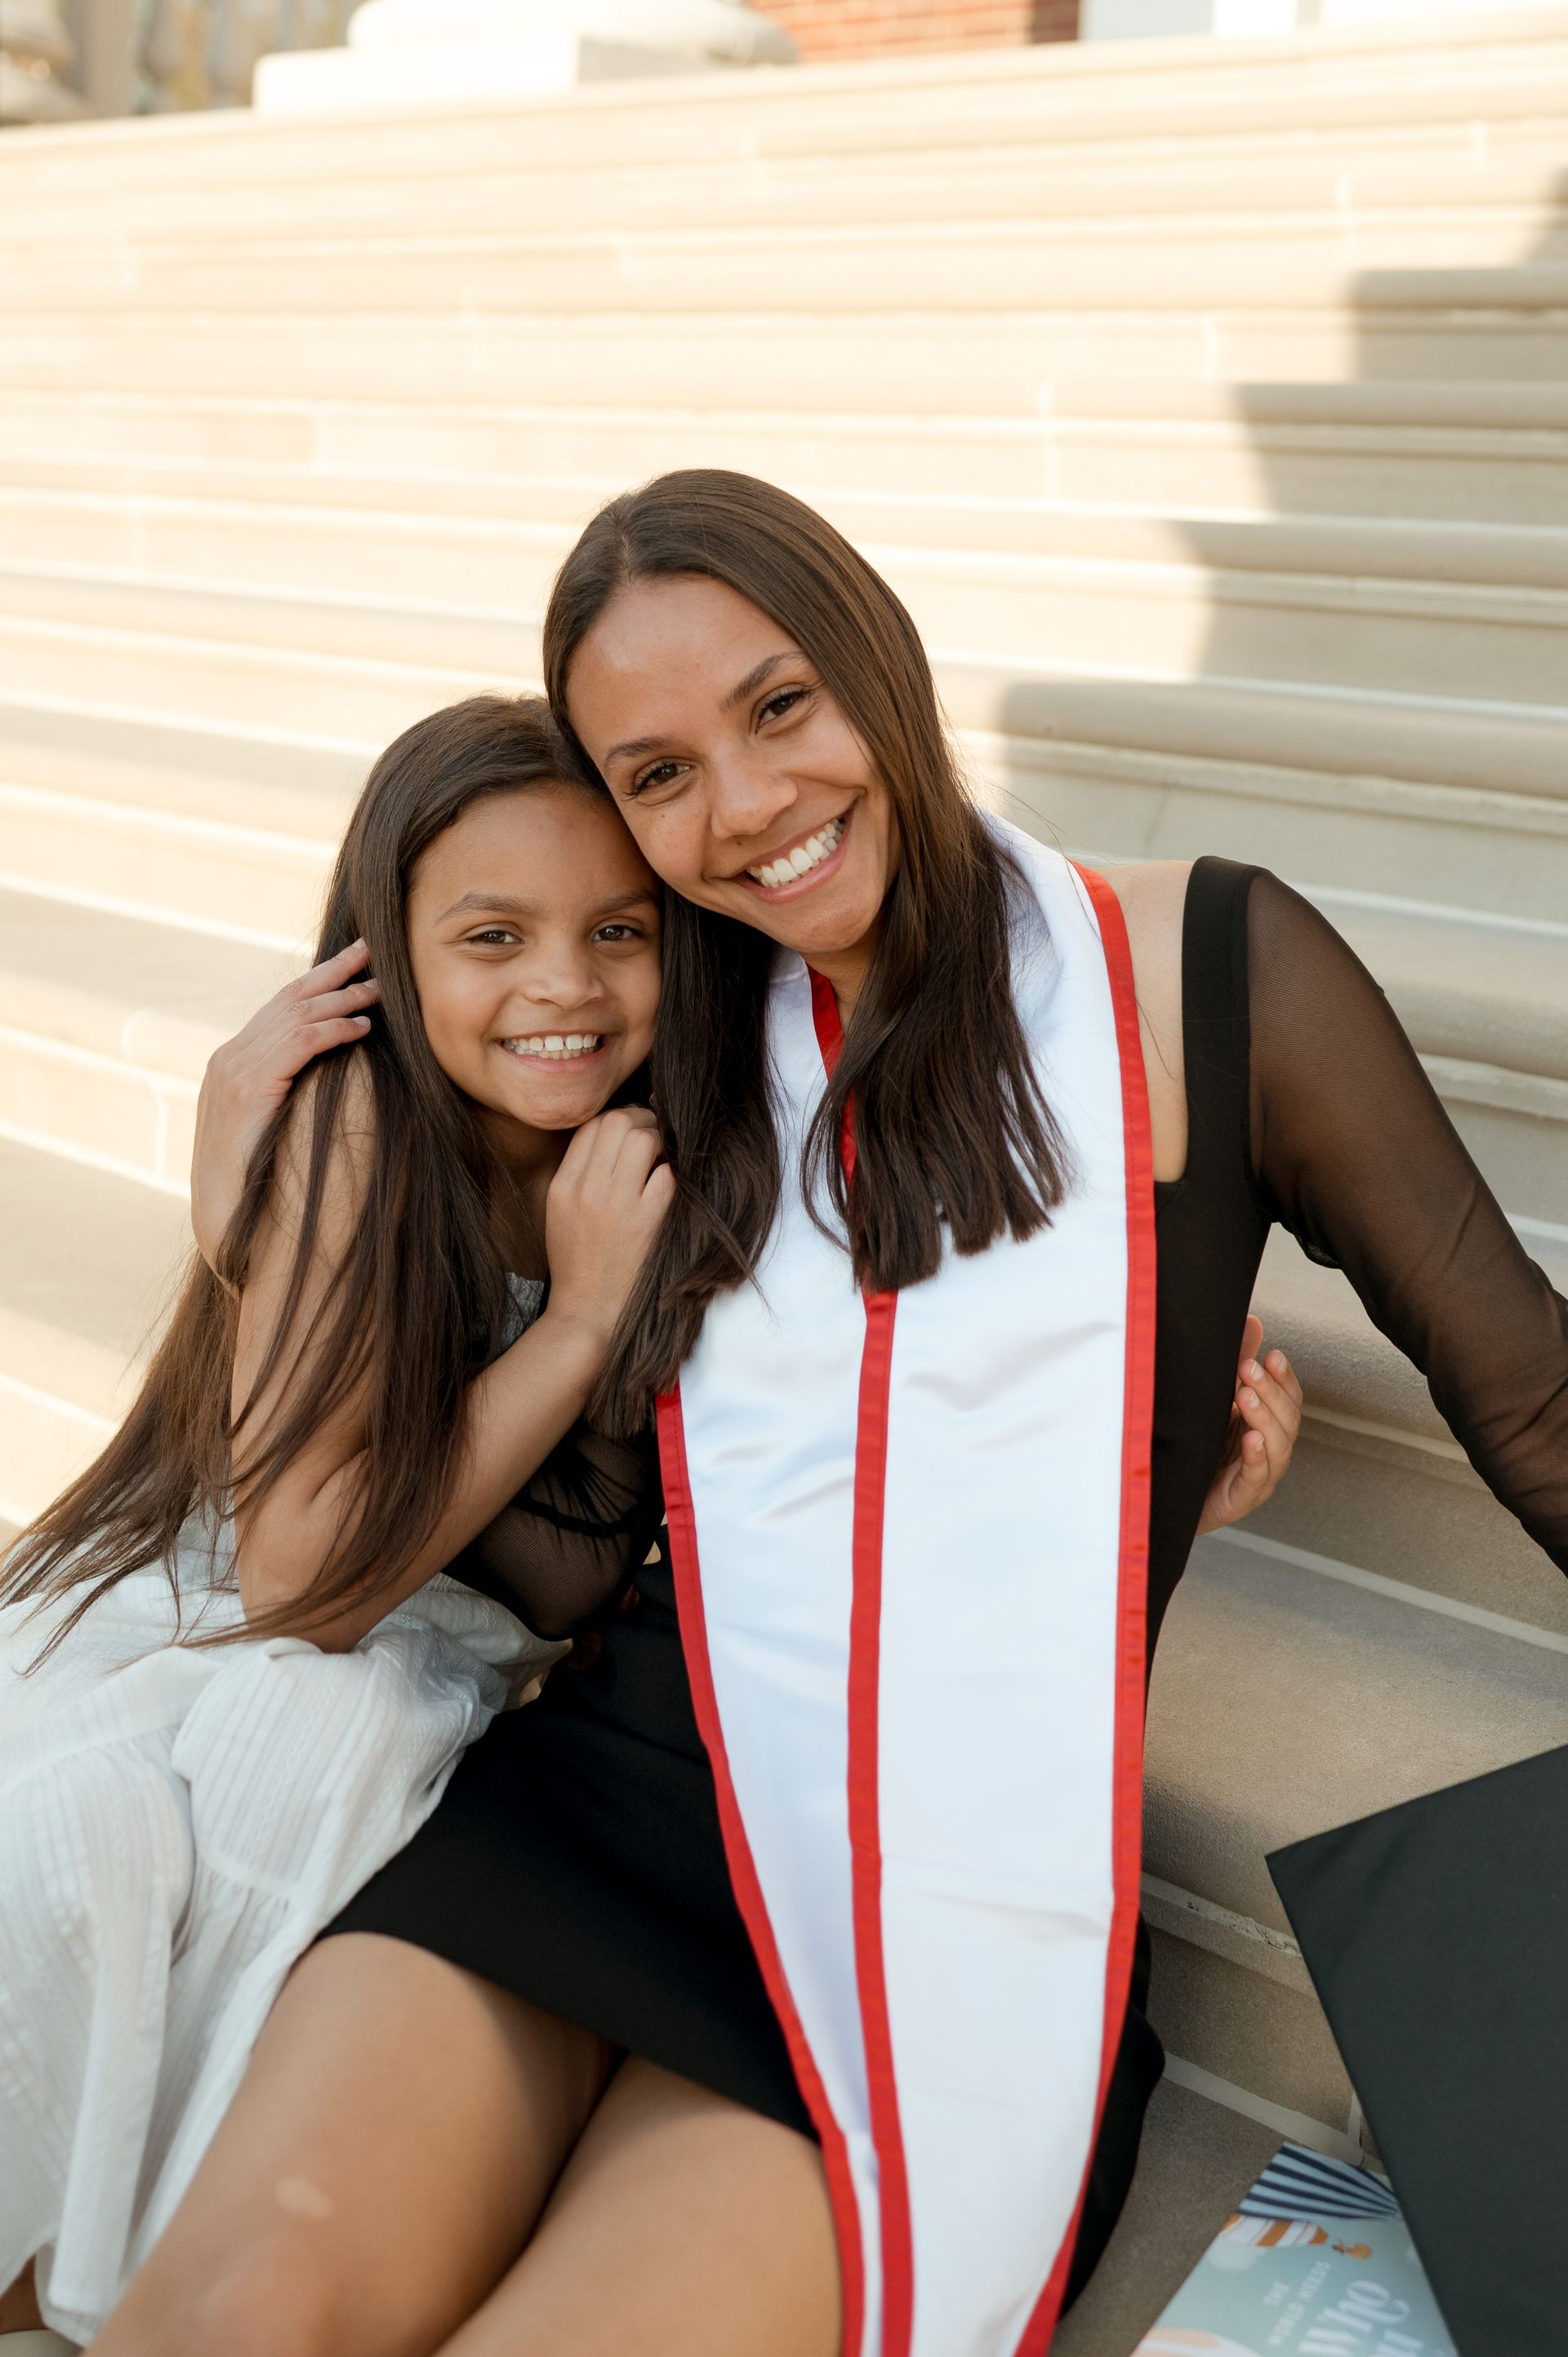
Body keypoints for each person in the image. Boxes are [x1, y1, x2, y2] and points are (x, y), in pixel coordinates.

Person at [92, 456, 1564, 2357]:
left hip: (944, 1901)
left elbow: (1530, 1402)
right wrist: (265, 1227)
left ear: (875, 655)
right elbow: (573, 1562)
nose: (749, 807)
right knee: (225, 2321)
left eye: (778, 706)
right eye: (660, 774)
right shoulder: (694, 1050)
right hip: (608, 1818)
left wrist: (1099, 1491)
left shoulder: (1195, 974)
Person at [0, 697, 673, 2350]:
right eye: (492, 936)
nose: (565, 988)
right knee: (145, 1814)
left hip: (413, 1666)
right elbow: (301, 1573)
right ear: (387, 949)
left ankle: (115, 2284)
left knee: (321, 1772)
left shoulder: (651, 1143)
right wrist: (576, 1327)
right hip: (248, 1613)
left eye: (619, 932)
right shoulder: (364, 1120)